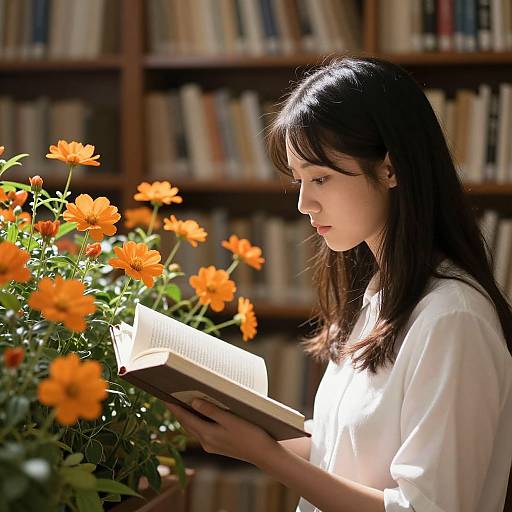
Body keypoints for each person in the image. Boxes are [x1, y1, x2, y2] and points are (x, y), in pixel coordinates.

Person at [166, 56, 512, 512]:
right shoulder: (378, 297)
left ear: (391, 169)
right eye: (299, 182)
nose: (305, 204)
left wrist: (265, 455)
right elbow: (344, 448)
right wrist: (241, 432)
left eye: (321, 178)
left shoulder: (452, 318)